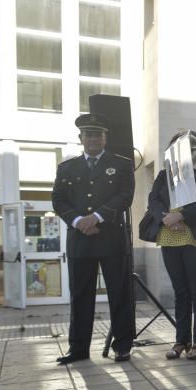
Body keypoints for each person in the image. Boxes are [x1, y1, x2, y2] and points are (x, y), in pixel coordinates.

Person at [53, 113, 136, 364]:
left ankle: (122, 346)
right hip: (80, 239)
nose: (93, 139)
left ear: (105, 138)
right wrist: (79, 221)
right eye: (89, 134)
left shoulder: (121, 164)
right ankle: (78, 348)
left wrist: (97, 217)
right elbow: (59, 200)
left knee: (119, 293)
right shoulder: (67, 168)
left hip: (111, 238)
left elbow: (125, 196)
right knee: (80, 295)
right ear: (81, 138)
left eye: (98, 135)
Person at [145, 138, 196, 361]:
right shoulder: (164, 174)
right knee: (181, 292)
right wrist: (166, 217)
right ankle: (181, 341)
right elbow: (153, 200)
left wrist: (182, 215)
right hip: (169, 236)